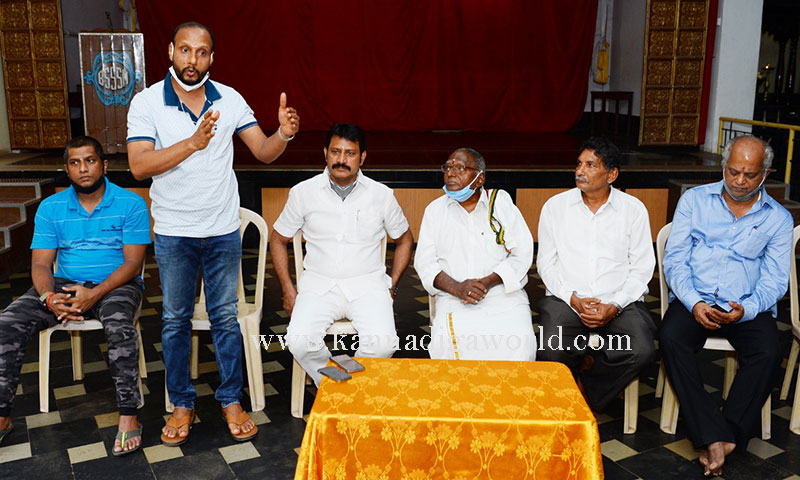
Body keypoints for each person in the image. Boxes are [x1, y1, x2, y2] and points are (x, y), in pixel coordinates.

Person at [126, 21, 299, 445]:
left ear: (211, 58)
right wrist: (192, 142)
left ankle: (230, 400)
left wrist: (283, 134)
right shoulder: (147, 102)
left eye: (201, 52)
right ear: (170, 52)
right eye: (185, 50)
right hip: (174, 232)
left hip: (222, 230)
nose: (193, 59)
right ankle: (181, 403)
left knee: (224, 318)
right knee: (175, 319)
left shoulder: (230, 99)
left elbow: (263, 152)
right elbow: (139, 166)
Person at [0, 136, 150, 455]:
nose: (83, 169)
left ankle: (128, 415)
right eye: (75, 163)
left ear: (104, 165)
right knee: (7, 323)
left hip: (116, 284)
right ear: (66, 170)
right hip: (64, 284)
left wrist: (95, 294)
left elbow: (133, 263)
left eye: (90, 160)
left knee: (119, 326)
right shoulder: (51, 207)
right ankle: (1, 416)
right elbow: (41, 264)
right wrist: (48, 298)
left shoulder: (131, 203)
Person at [660, 135, 792, 476]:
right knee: (671, 338)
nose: (740, 181)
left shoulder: (778, 219)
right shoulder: (694, 201)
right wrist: (694, 302)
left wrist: (746, 309)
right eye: (733, 172)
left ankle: (726, 436)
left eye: (750, 174)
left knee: (769, 351)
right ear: (723, 167)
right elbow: (675, 261)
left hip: (746, 305)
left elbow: (776, 280)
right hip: (696, 297)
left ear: (766, 174)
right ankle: (714, 434)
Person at [270, 123, 413, 385]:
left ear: (362, 157)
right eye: (335, 152)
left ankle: (347, 386)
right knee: (299, 341)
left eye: (350, 153)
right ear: (325, 153)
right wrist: (288, 290)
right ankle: (335, 384)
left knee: (384, 344)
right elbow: (278, 240)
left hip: (368, 285)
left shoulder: (381, 195)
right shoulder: (303, 193)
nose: (341, 160)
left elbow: (405, 240)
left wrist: (391, 285)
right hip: (318, 284)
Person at [536, 137, 656, 412]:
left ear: (611, 175)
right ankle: (575, 386)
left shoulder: (633, 210)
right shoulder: (555, 207)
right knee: (551, 348)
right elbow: (546, 264)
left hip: (619, 300)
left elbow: (641, 268)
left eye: (591, 165)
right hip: (567, 299)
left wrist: (614, 305)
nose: (580, 171)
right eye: (579, 164)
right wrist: (573, 299)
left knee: (641, 351)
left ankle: (585, 392)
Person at [415, 148, 535, 360]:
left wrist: (487, 282)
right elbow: (425, 263)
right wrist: (457, 288)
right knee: (448, 346)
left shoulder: (499, 203)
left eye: (460, 168)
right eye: (448, 167)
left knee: (520, 344)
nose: (451, 173)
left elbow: (522, 254)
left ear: (480, 179)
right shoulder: (435, 210)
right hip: (454, 297)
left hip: (503, 295)